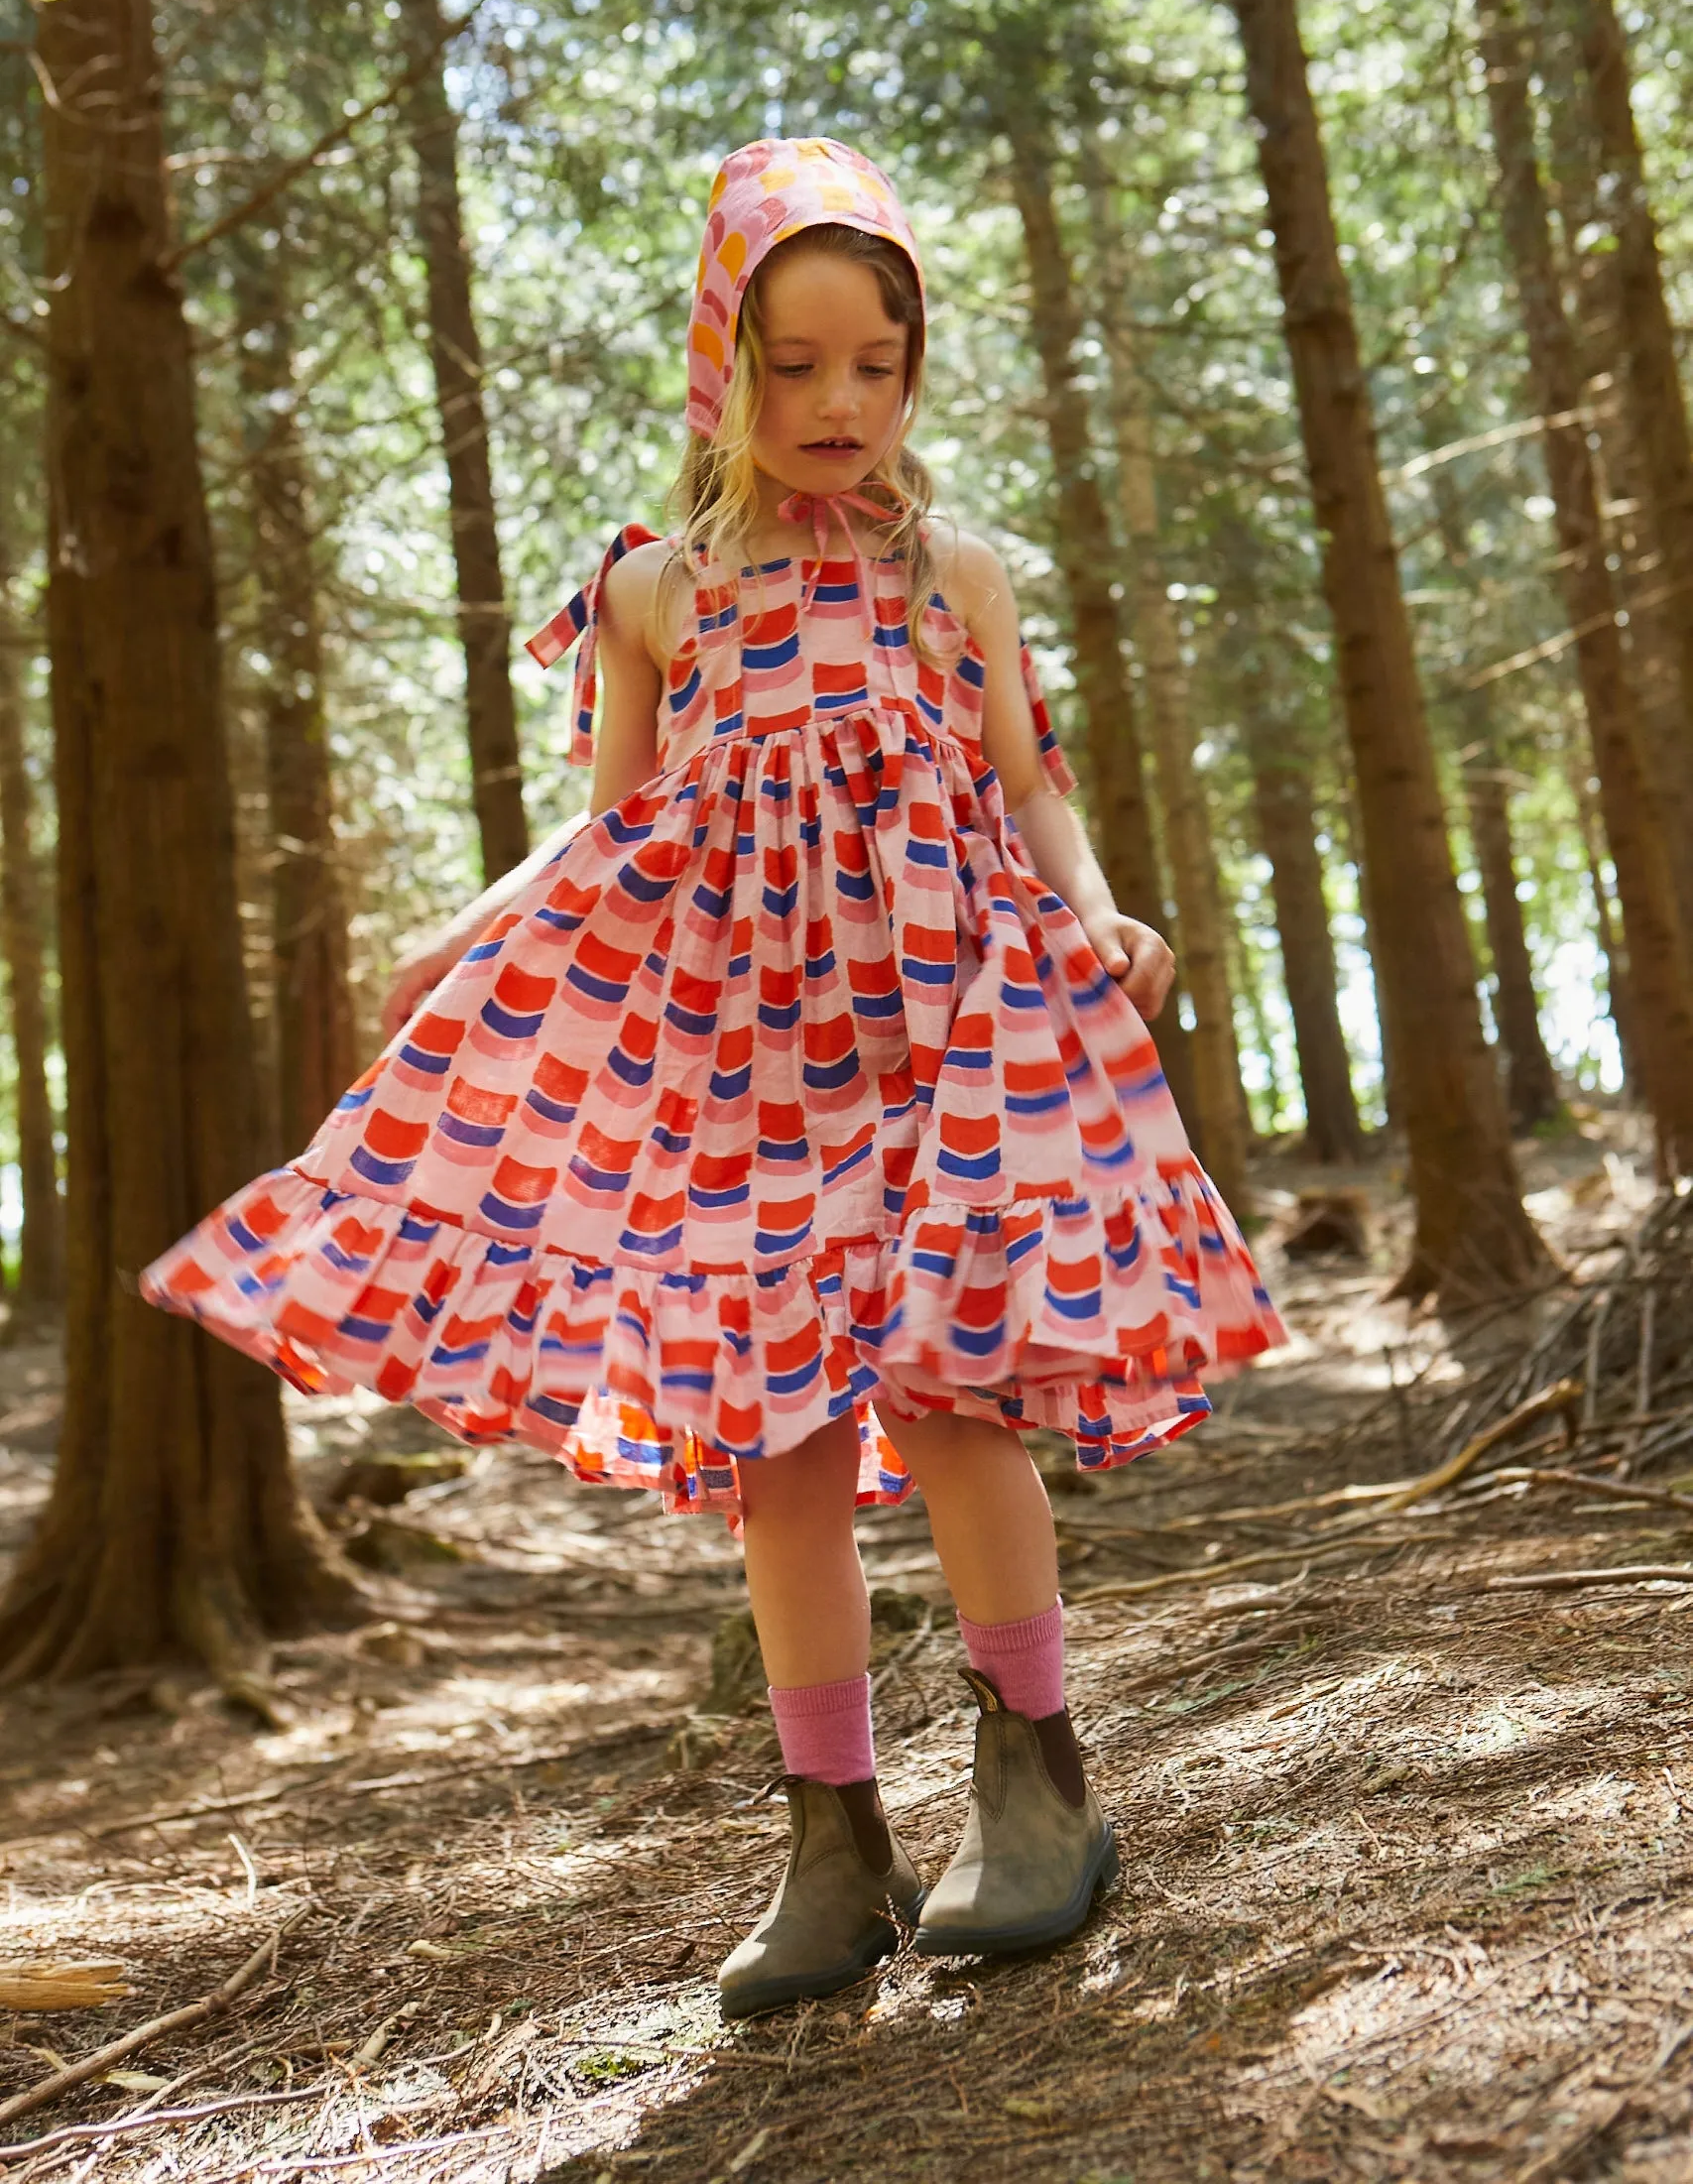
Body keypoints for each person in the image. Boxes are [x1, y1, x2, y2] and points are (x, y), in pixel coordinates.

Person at [144, 135, 1284, 2017]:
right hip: (741, 1067)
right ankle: (830, 1837)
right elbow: (602, 830)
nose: (838, 403)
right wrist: (467, 930)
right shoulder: (659, 595)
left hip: (942, 1045)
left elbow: (1028, 787)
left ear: (917, 372)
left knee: (953, 1396)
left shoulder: (954, 575)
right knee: (776, 1447)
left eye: (877, 364)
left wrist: (1102, 915)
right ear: (721, 363)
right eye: (793, 363)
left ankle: (1035, 1788)